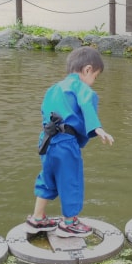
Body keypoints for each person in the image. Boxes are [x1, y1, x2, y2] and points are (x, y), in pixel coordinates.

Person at [27, 46, 115, 237]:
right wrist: (97, 128)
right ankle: (69, 222)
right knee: (71, 179)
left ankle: (38, 217)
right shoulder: (80, 88)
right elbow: (86, 105)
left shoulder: (54, 88)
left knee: (47, 177)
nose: (93, 83)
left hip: (46, 139)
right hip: (65, 142)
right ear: (87, 70)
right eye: (95, 77)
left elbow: (44, 111)